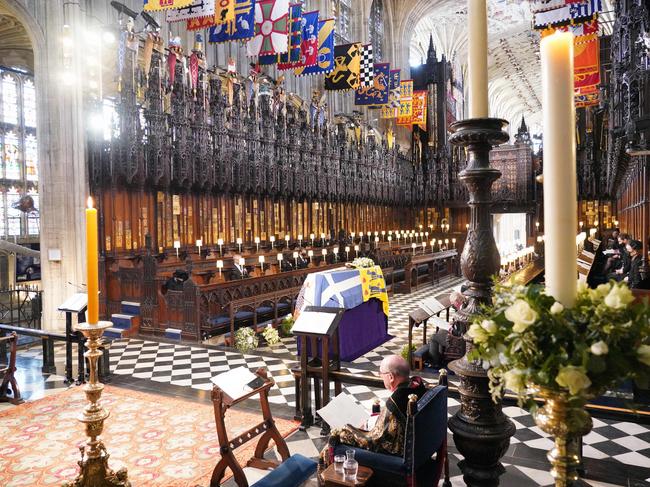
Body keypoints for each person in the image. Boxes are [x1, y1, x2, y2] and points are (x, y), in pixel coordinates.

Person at [319, 355, 426, 468]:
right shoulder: (416, 386)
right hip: (419, 447)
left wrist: (347, 429)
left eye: (381, 373)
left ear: (390, 377)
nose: (380, 376)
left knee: (330, 446)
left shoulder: (396, 401)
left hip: (396, 456)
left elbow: (375, 441)